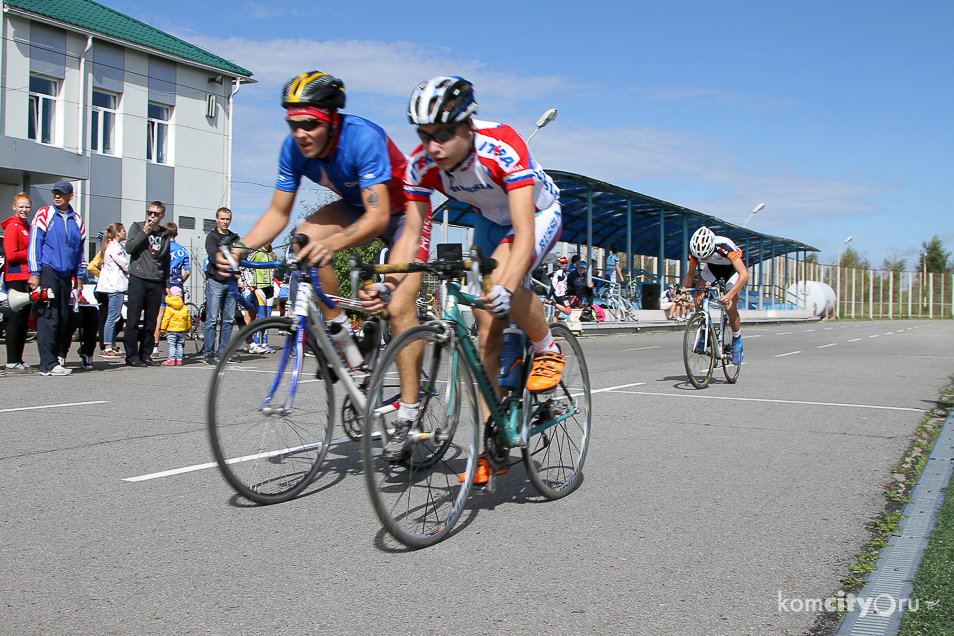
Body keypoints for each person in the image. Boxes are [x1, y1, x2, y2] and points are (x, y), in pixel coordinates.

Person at [219, 71, 431, 416]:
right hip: (356, 206)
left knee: (398, 307)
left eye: (310, 125)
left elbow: (378, 219)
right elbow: (277, 213)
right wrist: (238, 250)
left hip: (403, 213)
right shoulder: (294, 149)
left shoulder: (363, 137)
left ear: (332, 119)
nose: (300, 134)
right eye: (293, 124)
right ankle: (343, 334)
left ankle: (410, 409)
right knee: (305, 240)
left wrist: (332, 243)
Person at [397, 76, 565, 479]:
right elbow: (412, 234)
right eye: (424, 135)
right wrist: (392, 280)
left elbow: (523, 231)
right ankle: (492, 442)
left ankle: (546, 349)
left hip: (535, 215)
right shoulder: (421, 165)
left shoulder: (502, 145)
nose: (433, 146)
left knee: (502, 284)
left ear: (468, 126)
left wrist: (506, 285)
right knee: (486, 328)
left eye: (444, 134)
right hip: (490, 222)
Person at [28, 180, 85, 376]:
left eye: (61, 193)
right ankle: (47, 364)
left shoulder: (77, 220)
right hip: (48, 271)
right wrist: (35, 273)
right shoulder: (44, 214)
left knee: (63, 317)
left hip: (66, 274)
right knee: (48, 317)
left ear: (71, 196)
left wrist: (78, 277)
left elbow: (79, 252)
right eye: (55, 193)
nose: (57, 196)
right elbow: (34, 244)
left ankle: (58, 358)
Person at [681, 226, 750, 364]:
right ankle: (703, 329)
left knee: (730, 307)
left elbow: (744, 275)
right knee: (698, 292)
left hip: (732, 269)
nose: (703, 258)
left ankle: (737, 339)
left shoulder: (725, 248)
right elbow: (691, 274)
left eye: (705, 255)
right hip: (712, 269)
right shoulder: (696, 252)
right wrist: (683, 290)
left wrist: (729, 295)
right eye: (700, 256)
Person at [123, 201, 171, 367]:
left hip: (155, 280)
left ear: (162, 216)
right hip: (138, 278)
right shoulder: (137, 227)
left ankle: (146, 354)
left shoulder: (164, 234)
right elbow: (129, 248)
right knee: (133, 320)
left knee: (151, 321)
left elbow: (166, 260)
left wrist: (165, 282)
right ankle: (131, 356)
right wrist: (144, 232)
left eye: (156, 214)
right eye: (149, 212)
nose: (151, 216)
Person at [204, 207, 240, 364]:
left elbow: (239, 256)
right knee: (212, 320)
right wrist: (230, 259)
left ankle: (224, 353)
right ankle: (208, 353)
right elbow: (215, 257)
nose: (225, 222)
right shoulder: (212, 237)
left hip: (231, 283)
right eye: (222, 219)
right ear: (217, 219)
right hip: (216, 282)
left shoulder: (234, 238)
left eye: (228, 219)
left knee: (228, 320)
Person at [2, 192, 34, 372]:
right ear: (14, 207)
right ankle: (11, 361)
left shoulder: (26, 226)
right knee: (16, 319)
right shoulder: (13, 227)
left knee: (23, 320)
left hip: (26, 277)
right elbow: (11, 254)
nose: (24, 210)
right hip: (15, 277)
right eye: (21, 206)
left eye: (27, 206)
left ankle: (19, 359)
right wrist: (32, 253)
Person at [153, 221, 191, 352]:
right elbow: (187, 271)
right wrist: (181, 281)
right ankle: (181, 347)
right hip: (177, 283)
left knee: (160, 315)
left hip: (163, 282)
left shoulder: (162, 248)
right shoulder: (182, 249)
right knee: (180, 314)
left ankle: (155, 347)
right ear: (176, 233)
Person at [94, 223, 128, 357]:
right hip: (115, 287)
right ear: (117, 233)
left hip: (113, 286)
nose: (125, 233)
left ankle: (112, 344)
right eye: (123, 231)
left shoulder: (115, 246)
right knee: (112, 317)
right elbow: (125, 264)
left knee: (115, 317)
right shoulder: (114, 248)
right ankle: (108, 346)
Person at [246, 244, 277, 353]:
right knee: (261, 316)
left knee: (267, 317)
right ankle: (256, 343)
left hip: (270, 287)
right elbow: (245, 267)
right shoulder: (255, 252)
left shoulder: (272, 254)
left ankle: (265, 342)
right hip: (259, 287)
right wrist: (249, 283)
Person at [159, 286, 190, 365]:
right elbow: (188, 319)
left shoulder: (169, 308)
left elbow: (166, 319)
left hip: (172, 330)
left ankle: (171, 359)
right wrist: (188, 328)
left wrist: (162, 328)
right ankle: (179, 359)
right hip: (182, 330)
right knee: (180, 344)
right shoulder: (184, 307)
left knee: (172, 345)